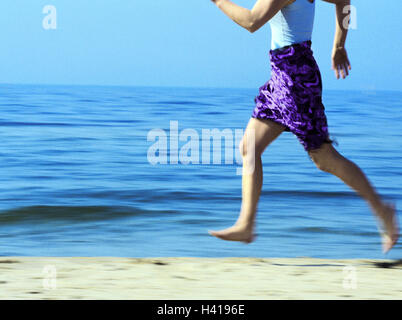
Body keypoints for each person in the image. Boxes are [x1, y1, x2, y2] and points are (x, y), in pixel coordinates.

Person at [208, 0, 399, 253]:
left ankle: (382, 210)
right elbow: (344, 0)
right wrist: (339, 45)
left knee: (324, 158)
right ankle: (246, 224)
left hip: (293, 78)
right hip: (284, 74)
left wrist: (218, 1)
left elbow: (252, 22)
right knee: (250, 147)